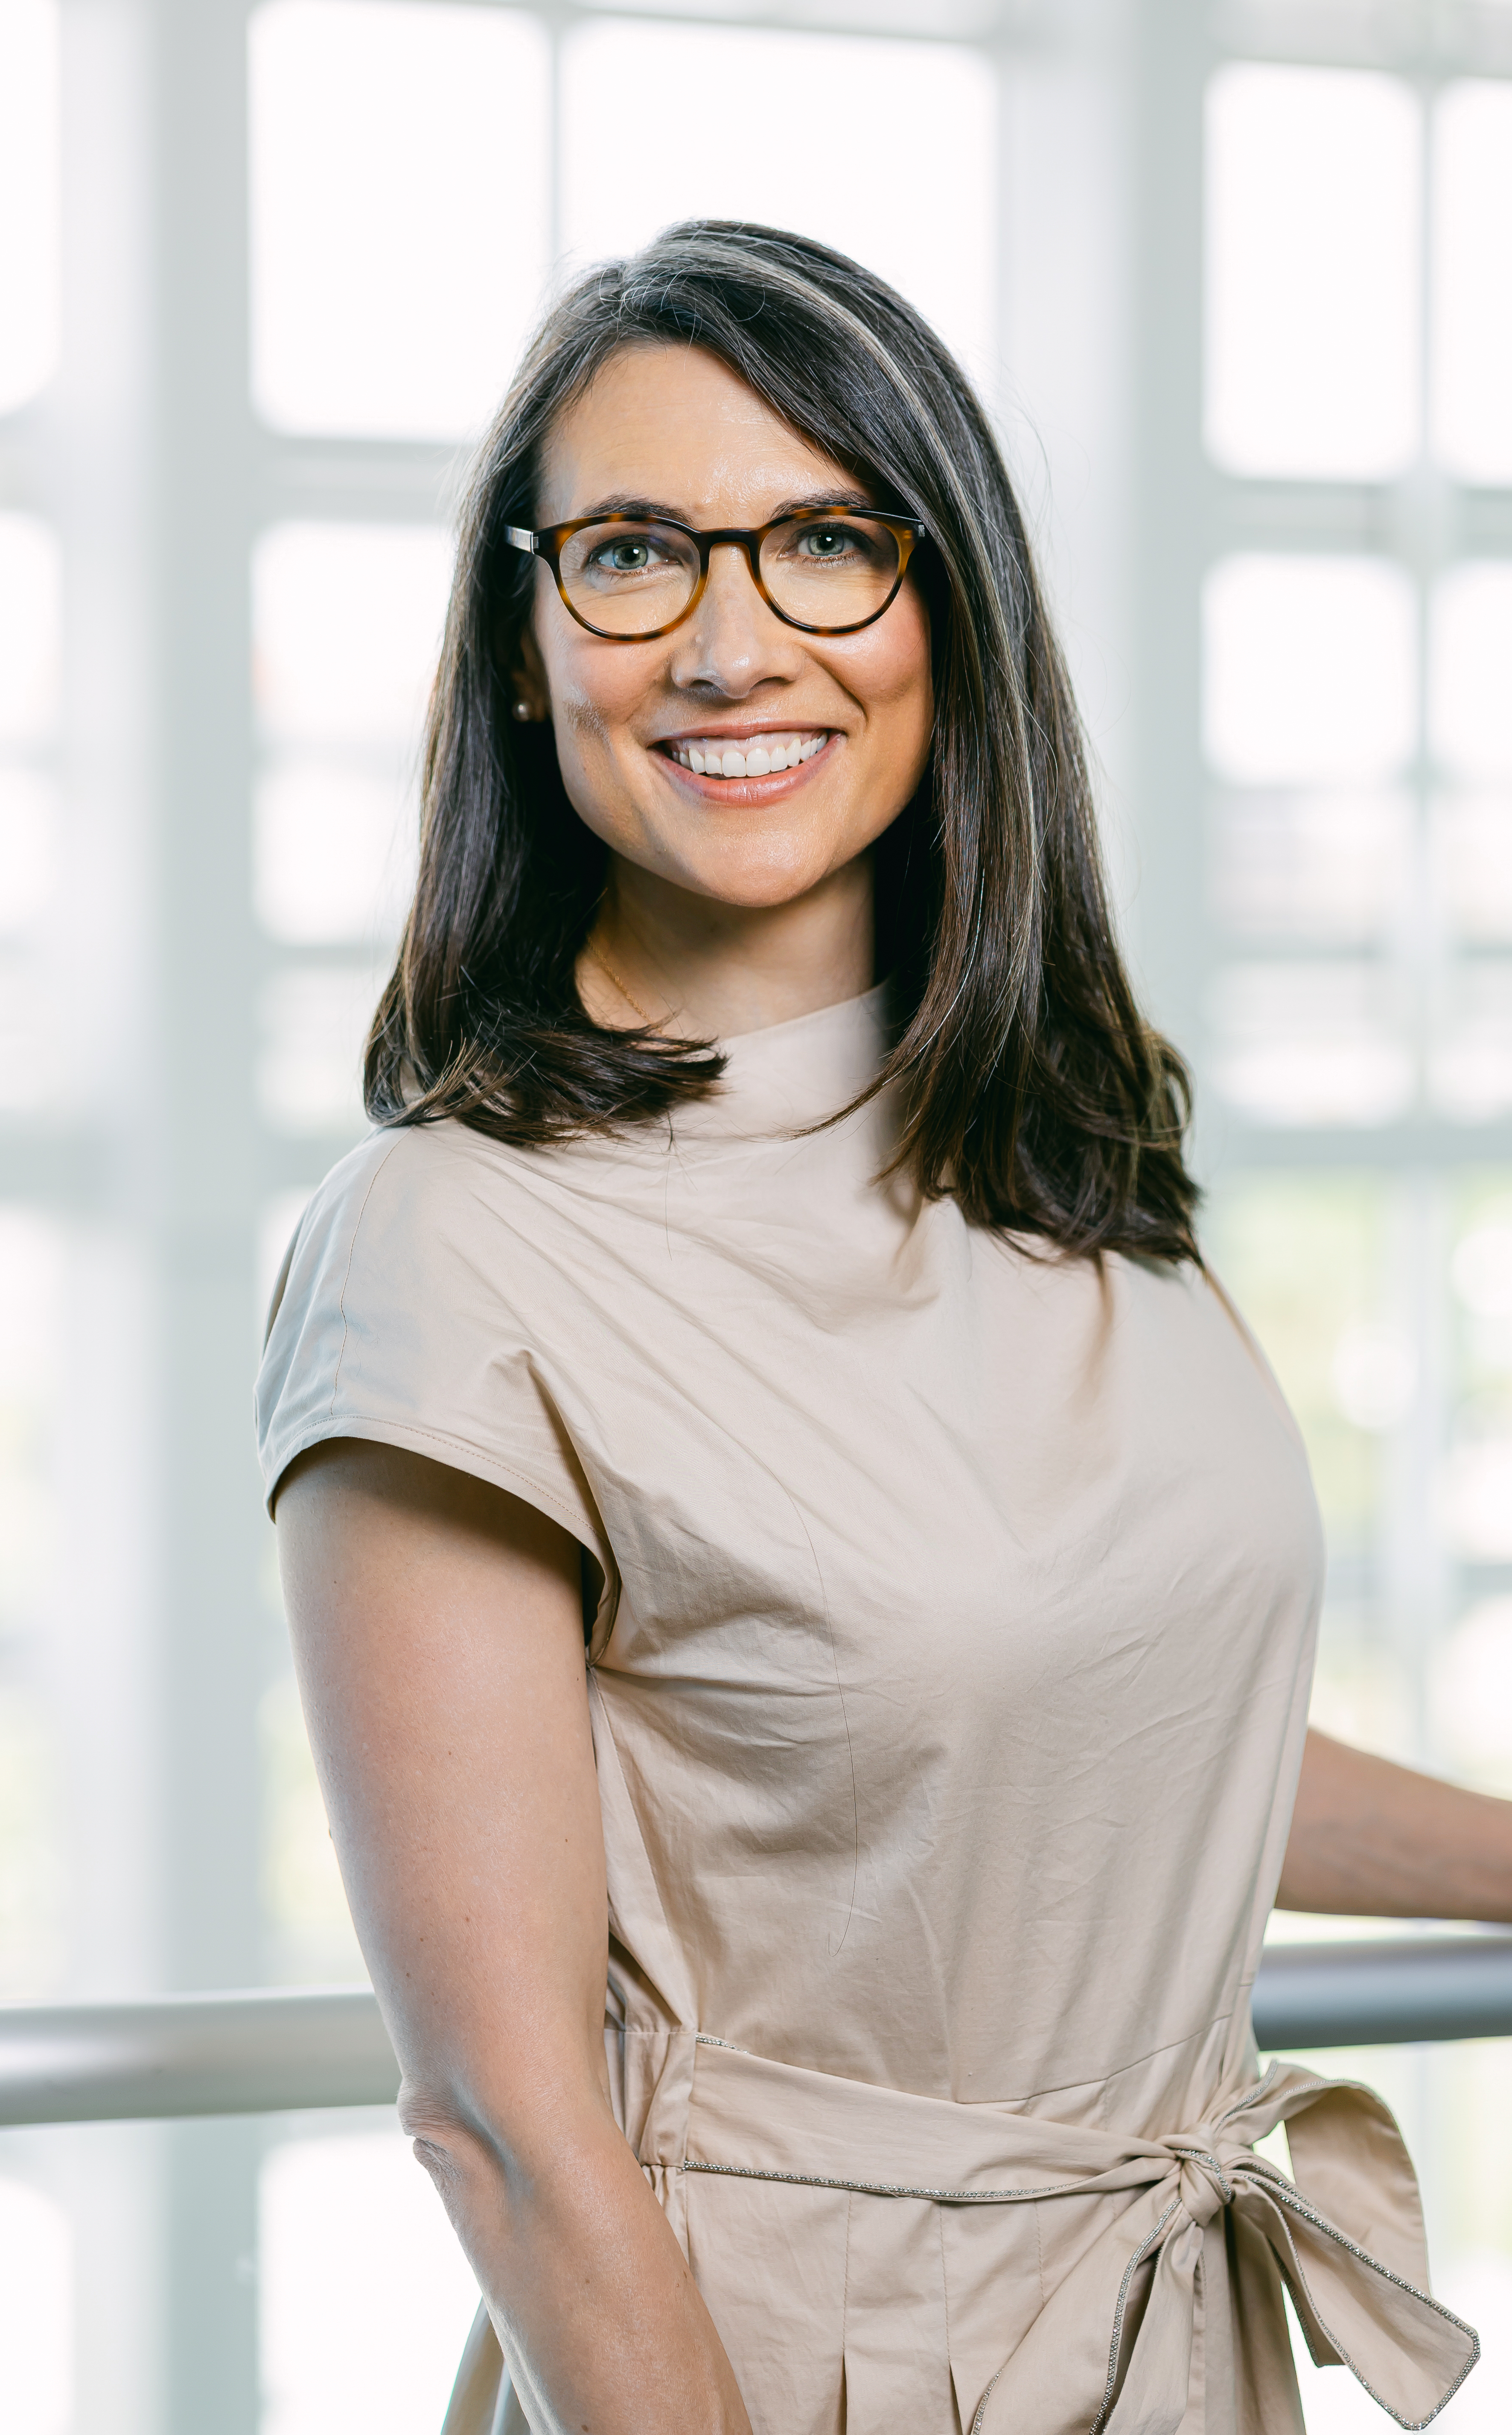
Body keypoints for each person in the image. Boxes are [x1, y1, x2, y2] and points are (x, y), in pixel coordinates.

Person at [256, 223, 1507, 2435]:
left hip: (1162, 2338)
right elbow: (503, 2110)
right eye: (637, 551)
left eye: (830, 539)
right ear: (528, 653)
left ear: (951, 619)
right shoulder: (451, 1245)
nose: (736, 642)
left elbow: (1078, 1737)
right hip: (774, 2371)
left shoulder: (1062, 1148)